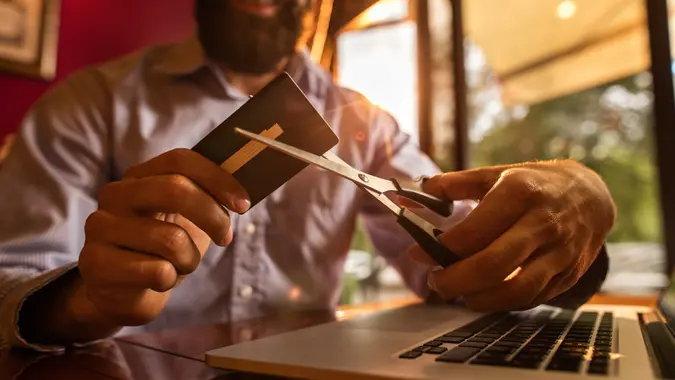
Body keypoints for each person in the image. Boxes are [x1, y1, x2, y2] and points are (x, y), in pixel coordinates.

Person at [0, 0, 615, 352]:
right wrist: (81, 302)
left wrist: (566, 200)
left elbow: (469, 258)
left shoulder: (369, 124)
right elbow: (10, 285)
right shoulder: (90, 103)